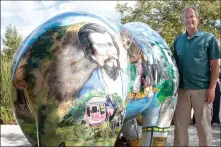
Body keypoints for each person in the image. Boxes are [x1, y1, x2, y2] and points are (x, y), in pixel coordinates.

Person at [173, 6, 221, 146]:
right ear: (183, 20)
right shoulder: (178, 41)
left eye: (192, 16)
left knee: (203, 127)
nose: (189, 20)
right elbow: (174, 65)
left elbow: (215, 66)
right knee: (180, 127)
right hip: (182, 90)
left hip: (202, 90)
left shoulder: (209, 39)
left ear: (198, 19)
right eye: (186, 17)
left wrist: (212, 88)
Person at [77, 23, 130, 102]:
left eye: (110, 44)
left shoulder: (126, 78)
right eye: (101, 45)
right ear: (91, 54)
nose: (109, 51)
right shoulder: (89, 91)